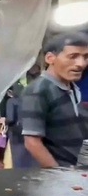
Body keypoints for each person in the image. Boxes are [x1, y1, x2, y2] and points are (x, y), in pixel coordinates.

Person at [21, 32, 88, 167]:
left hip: (77, 172)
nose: (81, 64)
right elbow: (32, 142)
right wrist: (59, 176)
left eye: (85, 57)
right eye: (73, 57)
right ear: (50, 58)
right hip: (60, 178)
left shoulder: (72, 88)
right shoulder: (38, 90)